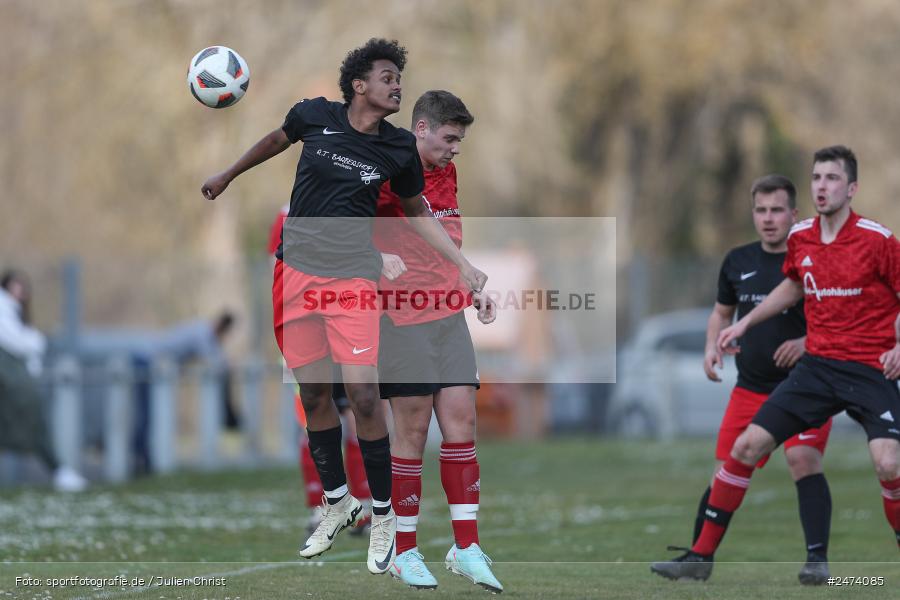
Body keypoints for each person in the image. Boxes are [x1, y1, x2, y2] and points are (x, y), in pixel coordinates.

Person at [201, 38, 487, 574]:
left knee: (362, 394)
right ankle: (336, 502)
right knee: (313, 397)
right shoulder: (315, 116)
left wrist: (464, 268)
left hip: (353, 279)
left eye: (400, 77)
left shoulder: (399, 149)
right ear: (359, 85)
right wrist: (226, 174)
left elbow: (417, 213)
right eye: (387, 76)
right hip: (295, 274)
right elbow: (272, 140)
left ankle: (382, 517)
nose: (397, 84)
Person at [651, 145, 900, 582]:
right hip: (817, 371)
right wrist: (743, 325)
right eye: (817, 177)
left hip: (868, 369)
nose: (822, 186)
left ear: (853, 188)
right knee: (745, 448)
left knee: (889, 464)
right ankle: (700, 559)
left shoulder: (878, 241)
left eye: (832, 179)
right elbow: (792, 286)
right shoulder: (802, 237)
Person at [651, 175, 835, 585]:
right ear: (753, 213)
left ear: (794, 215)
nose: (768, 219)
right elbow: (721, 312)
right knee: (726, 469)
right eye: (761, 210)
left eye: (777, 210)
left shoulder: (813, 260)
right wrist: (711, 345)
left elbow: (838, 315)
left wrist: (807, 342)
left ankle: (817, 561)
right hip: (751, 388)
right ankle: (698, 558)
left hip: (806, 386)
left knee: (803, 460)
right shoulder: (738, 260)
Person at [372, 90, 502, 592]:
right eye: (449, 138)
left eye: (460, 140)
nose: (456, 149)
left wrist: (469, 288)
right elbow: (345, 222)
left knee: (462, 422)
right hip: (402, 318)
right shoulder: (386, 167)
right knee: (411, 432)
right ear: (420, 129)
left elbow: (446, 238)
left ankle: (465, 546)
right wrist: (373, 256)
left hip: (449, 315)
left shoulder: (447, 171)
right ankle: (404, 551)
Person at [267, 205, 373, 536]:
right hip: (307, 329)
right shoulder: (288, 213)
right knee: (312, 419)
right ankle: (322, 507)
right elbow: (278, 267)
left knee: (360, 417)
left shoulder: (358, 202)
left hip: (350, 324)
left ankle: (365, 508)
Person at [0, 269, 88, 492]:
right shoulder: (3, 308)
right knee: (31, 420)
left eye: (22, 286)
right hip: (10, 381)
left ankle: (60, 471)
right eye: (15, 286)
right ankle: (60, 471)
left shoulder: (14, 312)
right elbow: (19, 342)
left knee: (28, 424)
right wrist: (37, 341)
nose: (19, 291)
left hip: (14, 380)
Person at [131, 311, 237, 474]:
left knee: (148, 413)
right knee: (147, 413)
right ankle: (141, 458)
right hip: (146, 361)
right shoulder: (202, 334)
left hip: (148, 360)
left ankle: (143, 457)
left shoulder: (202, 331)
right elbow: (214, 361)